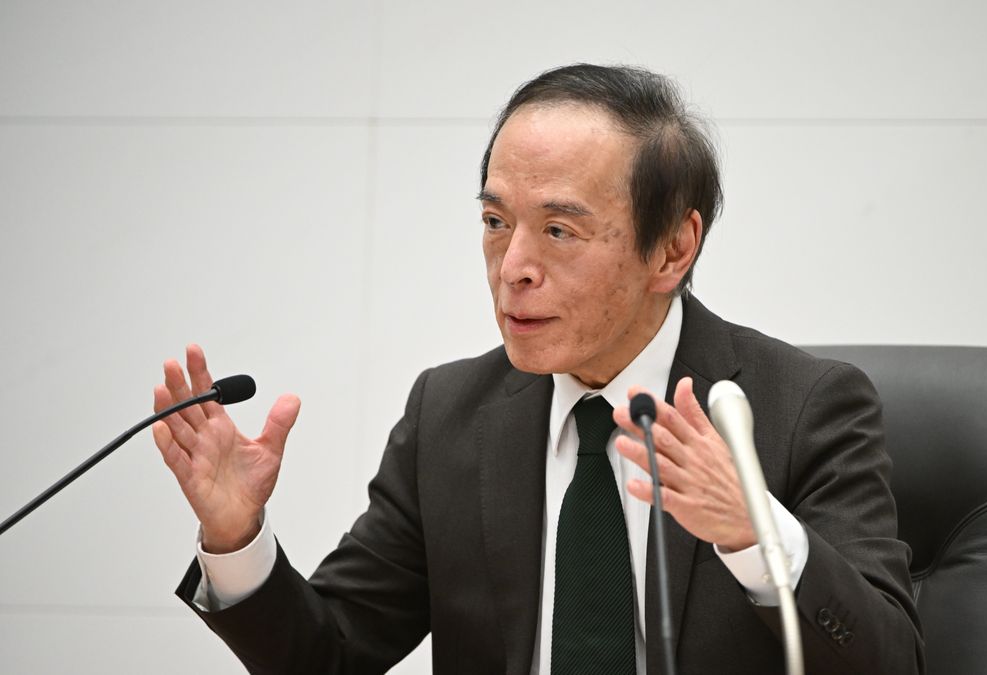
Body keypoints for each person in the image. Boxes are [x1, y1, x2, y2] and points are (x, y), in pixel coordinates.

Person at [153, 64, 923, 674]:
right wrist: (236, 536)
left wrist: (756, 534)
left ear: (672, 248)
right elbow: (329, 654)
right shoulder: (449, 414)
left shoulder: (801, 407)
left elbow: (895, 661)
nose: (512, 266)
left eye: (559, 230)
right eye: (496, 222)